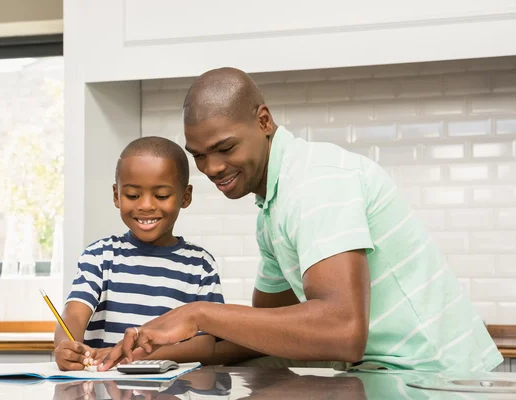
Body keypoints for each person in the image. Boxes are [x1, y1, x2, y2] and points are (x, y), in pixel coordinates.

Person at [97, 67, 503, 373]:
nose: (212, 167)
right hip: (394, 378)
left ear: (263, 121)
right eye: (199, 154)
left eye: (225, 147)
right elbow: (264, 334)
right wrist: (150, 350)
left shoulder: (314, 182)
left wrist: (198, 313)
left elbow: (343, 333)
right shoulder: (272, 207)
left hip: (441, 381)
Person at [54, 136, 224, 371]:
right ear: (116, 195)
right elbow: (73, 314)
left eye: (162, 196)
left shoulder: (201, 265)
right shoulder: (99, 256)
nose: (145, 205)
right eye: (133, 195)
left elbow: (205, 345)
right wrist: (66, 345)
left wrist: (133, 355)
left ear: (185, 197)